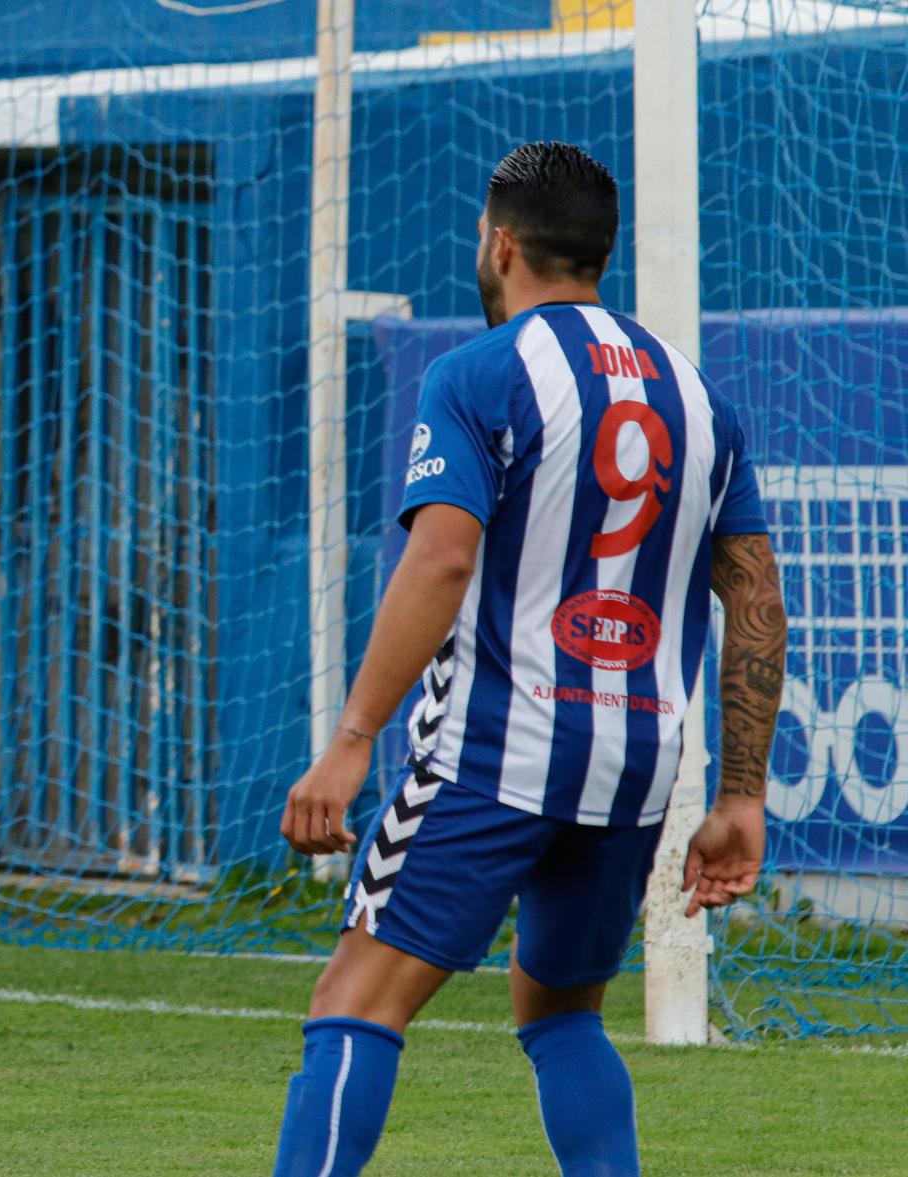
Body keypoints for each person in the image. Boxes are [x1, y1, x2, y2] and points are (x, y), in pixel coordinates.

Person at [270, 141, 786, 1175]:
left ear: (498, 243)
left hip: (492, 750)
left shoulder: (475, 375)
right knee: (558, 1011)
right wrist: (739, 794)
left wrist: (350, 740)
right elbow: (755, 597)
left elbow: (440, 559)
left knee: (352, 1003)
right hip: (633, 766)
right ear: (598, 253)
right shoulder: (697, 401)